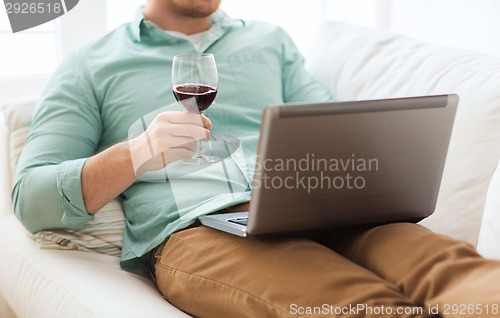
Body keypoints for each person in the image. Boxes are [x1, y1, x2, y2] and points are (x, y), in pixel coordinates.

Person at [13, 0, 500, 317]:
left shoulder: (269, 41)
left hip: (320, 205)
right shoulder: (90, 63)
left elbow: (335, 126)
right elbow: (31, 198)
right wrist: (137, 153)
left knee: (461, 277)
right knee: (361, 306)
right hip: (199, 227)